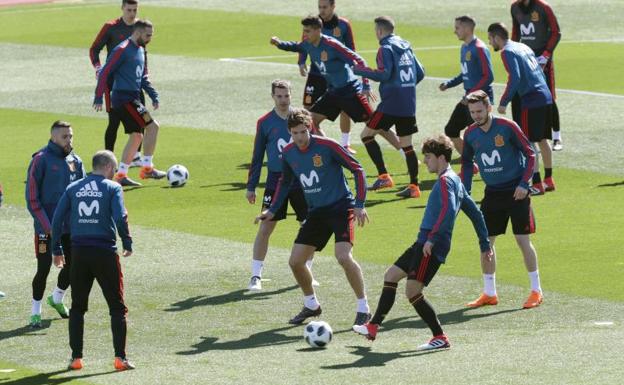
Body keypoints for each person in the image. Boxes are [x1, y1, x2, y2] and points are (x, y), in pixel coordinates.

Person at [353, 134, 491, 349]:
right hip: (423, 241)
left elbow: (448, 211)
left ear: (440, 157)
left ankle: (440, 337)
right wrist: (484, 243)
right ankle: (373, 325)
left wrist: (433, 239)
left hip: (431, 244)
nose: (425, 161)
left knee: (413, 292)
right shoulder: (453, 179)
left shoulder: (446, 181)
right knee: (391, 275)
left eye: (427, 157)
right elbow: (475, 213)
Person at [255, 108, 371, 326]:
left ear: (309, 128)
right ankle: (311, 305)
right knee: (296, 261)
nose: (300, 137)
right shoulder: (289, 152)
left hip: (340, 207)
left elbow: (358, 170)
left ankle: (363, 307)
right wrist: (271, 210)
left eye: (303, 132)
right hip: (316, 212)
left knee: (343, 257)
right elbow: (285, 182)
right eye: (295, 133)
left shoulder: (328, 146)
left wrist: (359, 204)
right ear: (289, 132)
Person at [51, 150, 134, 371]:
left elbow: (57, 220)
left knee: (77, 308)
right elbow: (119, 216)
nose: (114, 174)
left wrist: (56, 248)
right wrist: (127, 241)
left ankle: (76, 358)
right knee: (117, 308)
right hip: (105, 252)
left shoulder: (73, 188)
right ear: (107, 167)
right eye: (115, 170)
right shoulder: (113, 187)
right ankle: (120, 358)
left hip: (78, 253)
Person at [461, 90, 544, 309]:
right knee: (486, 242)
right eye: (472, 112)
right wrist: (466, 190)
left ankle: (536, 290)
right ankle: (489, 293)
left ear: (488, 108)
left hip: (517, 192)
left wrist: (525, 184)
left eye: (479, 111)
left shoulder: (507, 127)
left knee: (522, 240)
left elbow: (530, 153)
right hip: (493, 193)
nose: (476, 116)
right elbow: (467, 163)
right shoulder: (470, 134)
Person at [271, 15, 400, 152]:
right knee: (310, 121)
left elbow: (359, 61)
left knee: (376, 125)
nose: (305, 34)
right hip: (333, 92)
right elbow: (295, 46)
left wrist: (366, 85)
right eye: (304, 31)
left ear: (317, 30)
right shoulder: (308, 44)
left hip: (350, 91)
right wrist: (279, 43)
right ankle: (334, 153)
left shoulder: (332, 45)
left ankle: (406, 153)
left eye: (307, 31)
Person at [245, 80, 316, 291]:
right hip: (276, 180)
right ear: (273, 97)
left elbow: (315, 145)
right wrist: (251, 186)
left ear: (291, 95)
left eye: (286, 96)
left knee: (309, 227)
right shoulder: (265, 122)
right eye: (279, 96)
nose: (283, 100)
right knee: (266, 226)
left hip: (302, 180)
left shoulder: (302, 118)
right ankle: (256, 275)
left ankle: (308, 272)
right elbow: (257, 155)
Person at [353, 16, 425, 198]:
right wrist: (405, 87)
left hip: (391, 103)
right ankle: (414, 186)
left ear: (379, 31)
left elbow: (384, 74)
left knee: (366, 136)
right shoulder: (406, 46)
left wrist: (359, 70)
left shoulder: (385, 49)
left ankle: (384, 176)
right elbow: (421, 73)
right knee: (406, 145)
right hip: (408, 103)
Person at [25, 121, 85, 328]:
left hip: (70, 228)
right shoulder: (40, 160)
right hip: (45, 229)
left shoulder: (76, 161)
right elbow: (32, 199)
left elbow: (82, 194)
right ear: (53, 138)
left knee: (74, 265)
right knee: (43, 269)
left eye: (71, 136)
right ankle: (35, 312)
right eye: (64, 137)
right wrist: (49, 227)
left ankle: (57, 297)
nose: (69, 140)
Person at [487, 22, 554, 196]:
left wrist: (504, 101)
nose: (490, 43)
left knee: (529, 143)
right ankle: (549, 179)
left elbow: (515, 78)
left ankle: (537, 184)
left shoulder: (507, 52)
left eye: (490, 39)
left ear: (496, 37)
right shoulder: (522, 46)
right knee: (543, 139)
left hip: (531, 100)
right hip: (545, 96)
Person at [94, 19, 163, 187]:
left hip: (132, 98)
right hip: (124, 98)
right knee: (153, 127)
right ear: (138, 32)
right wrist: (98, 96)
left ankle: (121, 175)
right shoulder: (122, 50)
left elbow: (143, 76)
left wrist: (153, 94)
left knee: (137, 135)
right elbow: (105, 72)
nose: (150, 39)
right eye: (148, 35)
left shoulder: (140, 49)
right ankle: (147, 169)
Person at [89, 0, 147, 165]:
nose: (132, 13)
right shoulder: (111, 27)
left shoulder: (140, 29)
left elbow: (144, 54)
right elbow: (94, 49)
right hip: (113, 83)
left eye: (135, 10)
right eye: (129, 10)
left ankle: (135, 156)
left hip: (134, 83)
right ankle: (108, 158)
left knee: (141, 118)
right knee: (113, 122)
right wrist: (98, 67)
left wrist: (145, 75)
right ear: (122, 8)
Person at [298, 0, 356, 153]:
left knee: (345, 108)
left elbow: (351, 49)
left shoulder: (343, 25)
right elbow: (303, 43)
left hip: (336, 75)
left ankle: (345, 144)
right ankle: (319, 143)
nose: (321, 10)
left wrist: (354, 72)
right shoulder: (313, 24)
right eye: (319, 7)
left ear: (333, 7)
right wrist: (301, 61)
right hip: (317, 73)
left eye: (325, 7)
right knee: (307, 109)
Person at [511, 0, 562, 151]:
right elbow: (516, 32)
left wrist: (546, 55)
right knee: (521, 93)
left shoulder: (543, 7)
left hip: (542, 58)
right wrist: (513, 51)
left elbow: (556, 33)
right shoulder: (514, 7)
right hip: (525, 57)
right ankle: (524, 136)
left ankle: (557, 136)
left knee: (548, 96)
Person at [439, 15, 494, 156]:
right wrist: (449, 84)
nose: (454, 31)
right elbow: (465, 73)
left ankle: (491, 162)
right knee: (451, 130)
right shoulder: (464, 48)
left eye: (457, 27)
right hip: (468, 97)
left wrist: (471, 95)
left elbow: (488, 76)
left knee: (481, 135)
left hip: (480, 99)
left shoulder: (479, 48)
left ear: (467, 28)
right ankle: (470, 160)